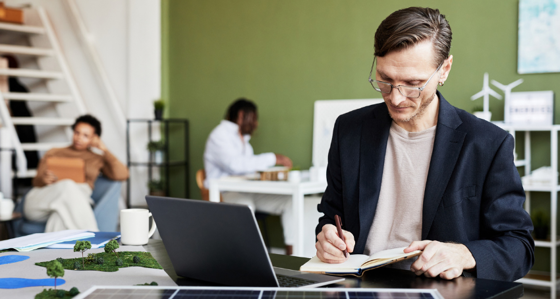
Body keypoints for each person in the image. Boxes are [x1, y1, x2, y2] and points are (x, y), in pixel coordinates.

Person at [315, 7, 534, 281]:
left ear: (444, 70)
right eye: (385, 80)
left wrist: (464, 254)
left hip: (438, 291)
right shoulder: (349, 130)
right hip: (358, 286)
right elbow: (331, 215)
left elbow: (519, 246)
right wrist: (327, 236)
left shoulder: (487, 143)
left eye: (413, 84)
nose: (395, 98)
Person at [204, 98, 294, 254]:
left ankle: (294, 254)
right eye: (254, 117)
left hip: (248, 191)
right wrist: (273, 158)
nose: (256, 123)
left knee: (291, 202)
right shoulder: (219, 135)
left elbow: (248, 168)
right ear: (241, 115)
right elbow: (235, 165)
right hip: (224, 193)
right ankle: (246, 257)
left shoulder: (245, 142)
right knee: (245, 208)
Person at [24, 114, 129, 232]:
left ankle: (53, 249)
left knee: (61, 215)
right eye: (77, 133)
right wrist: (43, 179)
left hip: (73, 204)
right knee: (68, 185)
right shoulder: (53, 152)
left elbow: (123, 174)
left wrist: (104, 149)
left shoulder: (97, 158)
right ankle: (94, 237)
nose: (79, 138)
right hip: (41, 202)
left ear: (94, 138)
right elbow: (35, 181)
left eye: (85, 135)